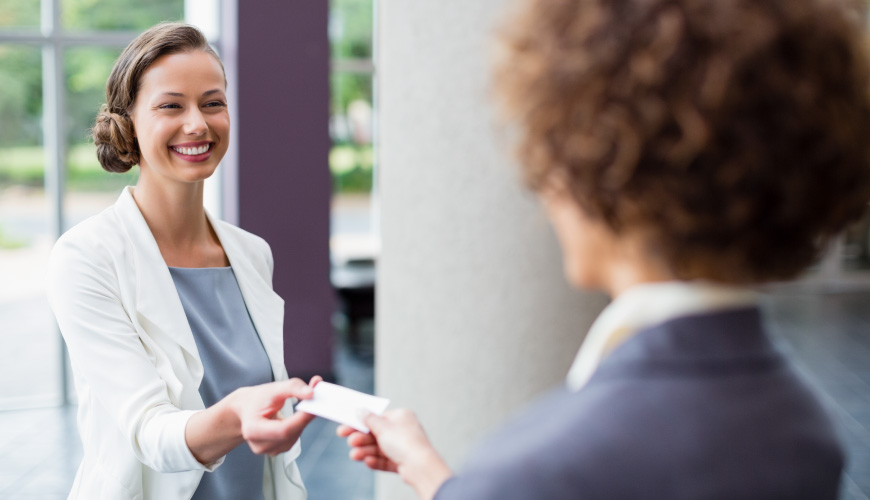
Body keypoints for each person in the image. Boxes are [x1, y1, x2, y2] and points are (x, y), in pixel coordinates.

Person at [339, 0, 870, 498]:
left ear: (612, 169)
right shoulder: (804, 429)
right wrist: (431, 471)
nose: (544, 189)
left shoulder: (539, 464)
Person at [47, 23, 319, 500]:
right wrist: (239, 415)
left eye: (212, 103)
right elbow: (149, 432)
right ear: (128, 122)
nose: (197, 123)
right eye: (171, 105)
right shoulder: (87, 258)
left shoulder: (252, 254)